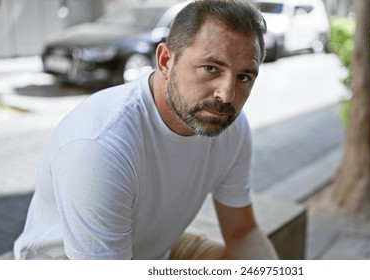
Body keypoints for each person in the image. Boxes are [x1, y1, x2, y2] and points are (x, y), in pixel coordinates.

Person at [14, 0, 278, 260]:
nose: (226, 94)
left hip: (152, 250)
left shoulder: (230, 126)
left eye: (244, 77)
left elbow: (242, 231)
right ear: (165, 61)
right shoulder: (100, 148)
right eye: (210, 68)